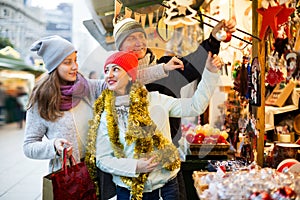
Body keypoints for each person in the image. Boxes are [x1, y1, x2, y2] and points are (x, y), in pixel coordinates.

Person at [96, 17, 236, 200]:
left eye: (141, 36)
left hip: (165, 175)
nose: (139, 43)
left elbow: (194, 68)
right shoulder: (110, 96)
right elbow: (104, 156)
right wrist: (134, 167)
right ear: (119, 48)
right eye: (131, 38)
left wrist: (214, 40)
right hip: (129, 185)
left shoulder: (162, 78)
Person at [23, 36, 184, 173]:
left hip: (98, 171)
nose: (75, 67)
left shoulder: (88, 88)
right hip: (68, 175)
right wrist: (53, 146)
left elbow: (126, 77)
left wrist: (163, 68)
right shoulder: (41, 100)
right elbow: (29, 146)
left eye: (75, 60)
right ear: (54, 66)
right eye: (67, 62)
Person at [85, 51, 222, 200]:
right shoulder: (107, 115)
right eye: (106, 70)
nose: (109, 75)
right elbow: (103, 159)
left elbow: (195, 106)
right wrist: (135, 166)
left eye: (115, 69)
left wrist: (210, 73)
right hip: (128, 193)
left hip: (166, 189)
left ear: (131, 74)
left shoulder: (157, 100)